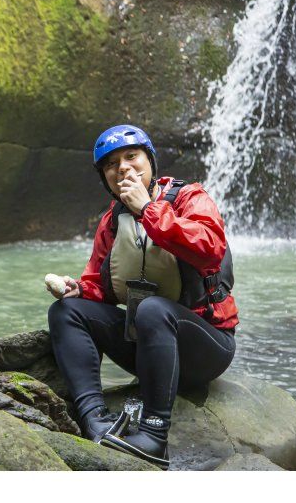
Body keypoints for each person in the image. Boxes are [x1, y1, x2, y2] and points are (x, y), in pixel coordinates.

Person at [46, 124, 238, 470]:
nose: (122, 167)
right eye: (111, 164)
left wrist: (149, 210)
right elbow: (101, 286)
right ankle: (95, 419)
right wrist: (79, 290)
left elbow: (210, 248)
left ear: (150, 161)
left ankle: (154, 436)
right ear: (104, 177)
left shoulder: (189, 197)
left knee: (151, 310)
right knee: (66, 311)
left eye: (131, 156)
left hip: (205, 348)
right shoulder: (111, 220)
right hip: (149, 345)